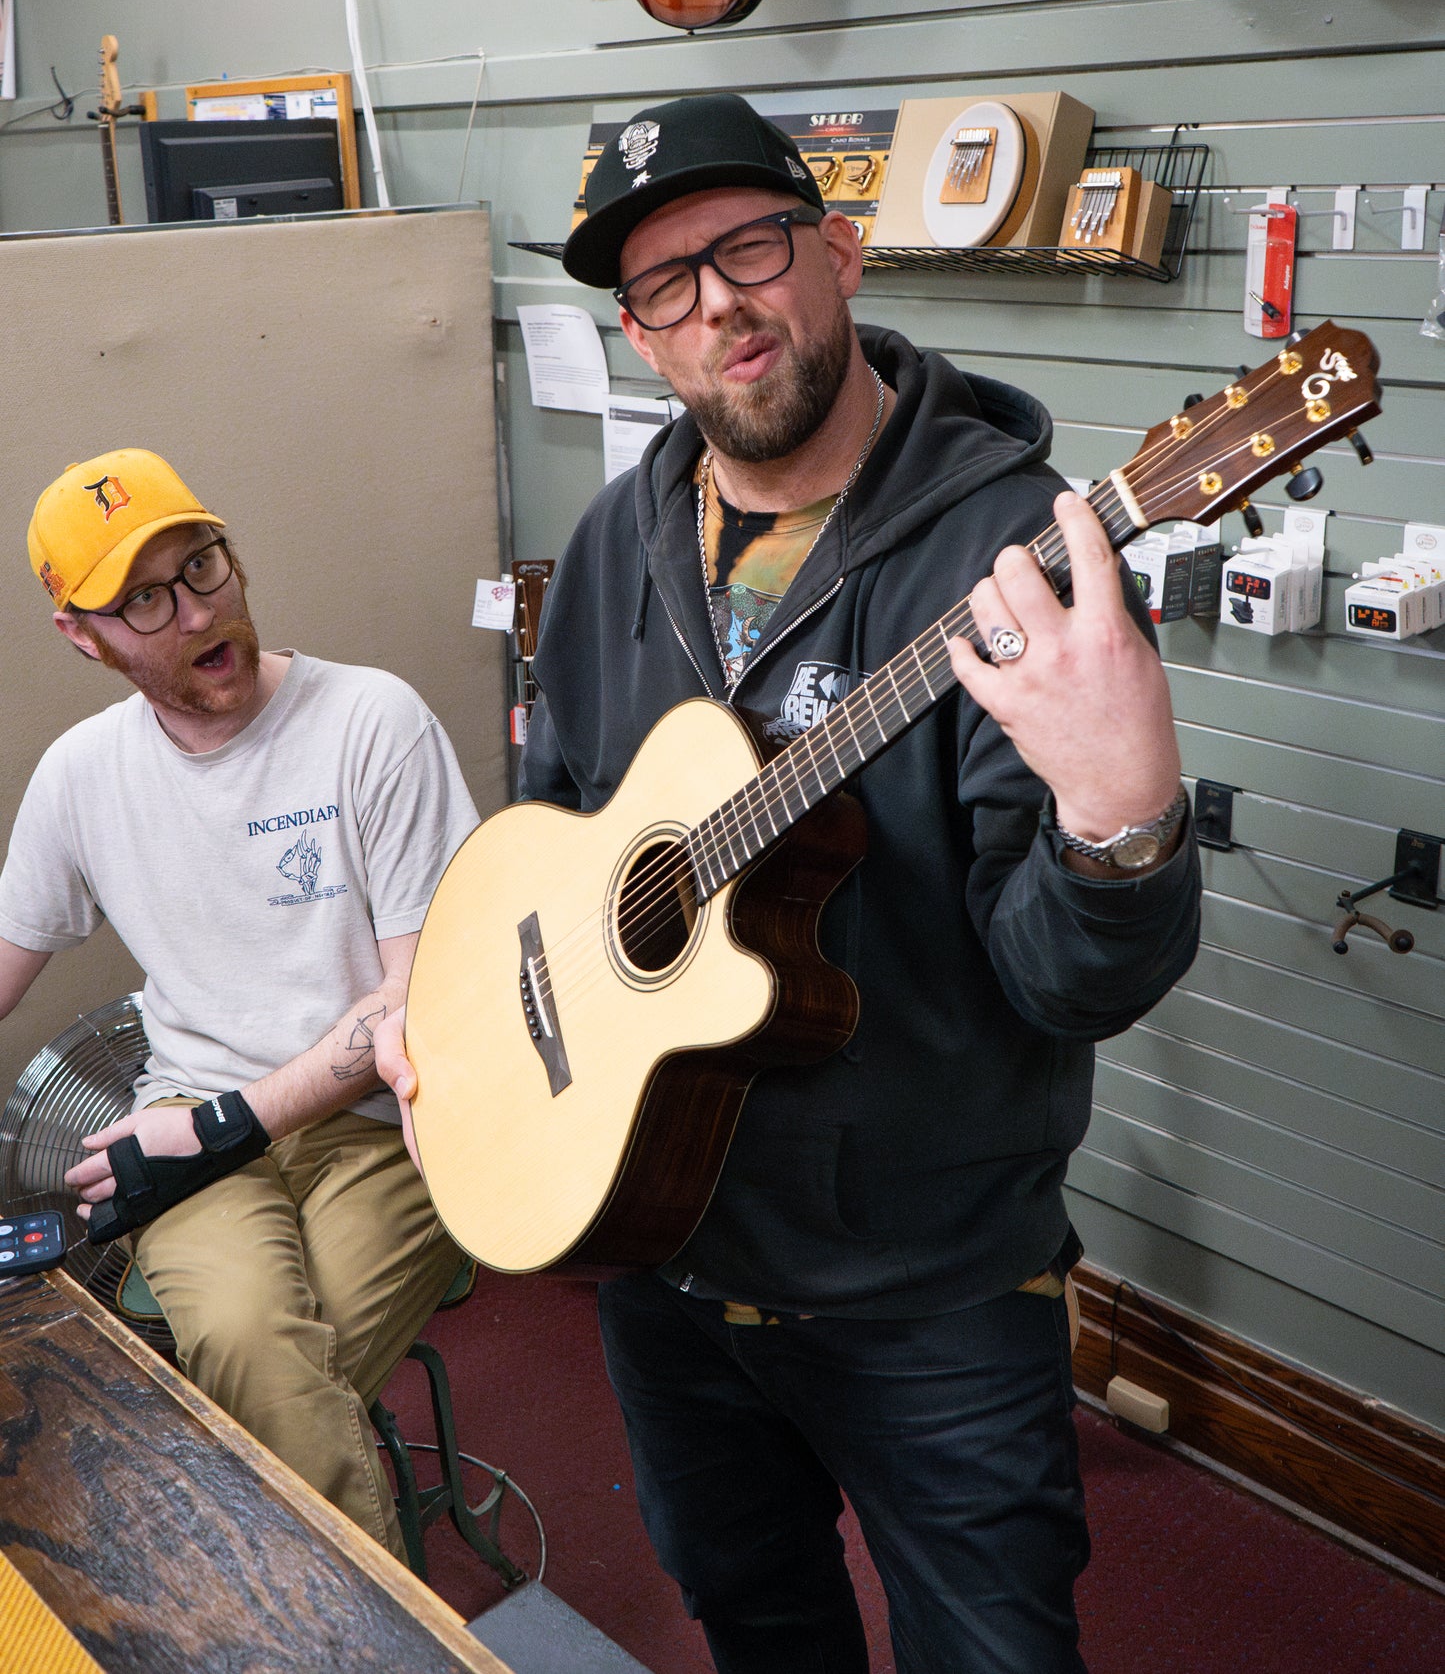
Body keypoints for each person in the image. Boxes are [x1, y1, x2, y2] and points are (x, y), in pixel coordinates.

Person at [382, 93, 1203, 1670]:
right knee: (753, 1617)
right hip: (660, 1246)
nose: (719, 307)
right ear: (638, 338)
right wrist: (462, 1007)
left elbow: (1070, 981)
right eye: (665, 287)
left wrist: (1119, 812)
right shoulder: (621, 538)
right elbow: (556, 819)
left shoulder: (1014, 560)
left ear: (834, 254)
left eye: (746, 247)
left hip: (928, 1286)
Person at [0, 448, 478, 1558]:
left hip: (383, 1131)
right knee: (266, 1362)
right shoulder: (81, 776)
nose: (196, 612)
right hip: (192, 1139)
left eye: (203, 565)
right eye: (145, 600)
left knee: (254, 1387)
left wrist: (213, 1125)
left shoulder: (372, 723)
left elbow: (417, 1004)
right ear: (84, 634)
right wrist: (206, 1129)